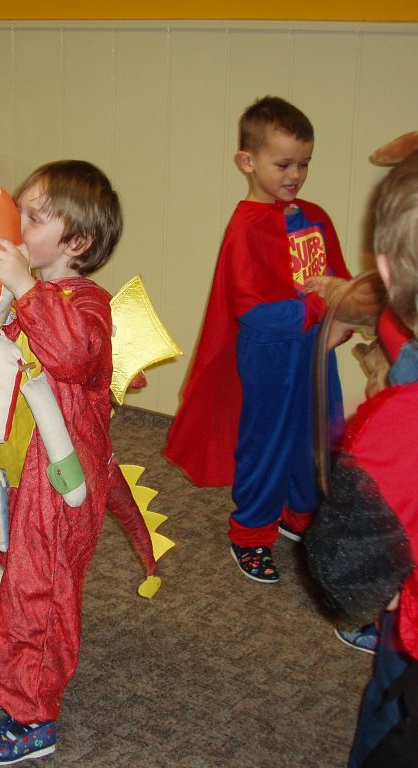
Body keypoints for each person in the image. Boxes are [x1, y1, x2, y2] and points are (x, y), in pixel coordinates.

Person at [0, 160, 122, 763]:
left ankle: (32, 713)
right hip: (19, 463)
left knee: (40, 592)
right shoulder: (33, 293)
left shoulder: (89, 304)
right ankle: (10, 675)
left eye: (34, 217)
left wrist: (24, 287)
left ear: (78, 242)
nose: (16, 224)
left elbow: (71, 352)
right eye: (18, 209)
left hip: (61, 481)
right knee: (11, 573)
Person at [163, 96, 352, 583]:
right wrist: (319, 306)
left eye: (304, 163)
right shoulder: (245, 227)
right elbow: (253, 310)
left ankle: (300, 516)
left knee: (317, 436)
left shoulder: (314, 216)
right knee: (268, 441)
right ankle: (250, 533)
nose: (296, 175)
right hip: (270, 357)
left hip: (315, 353)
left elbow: (340, 279)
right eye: (283, 164)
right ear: (247, 161)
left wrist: (346, 310)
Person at [305, 153, 418, 768]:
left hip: (411, 645)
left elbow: (342, 572)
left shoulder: (393, 428)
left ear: (386, 271)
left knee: (389, 710)